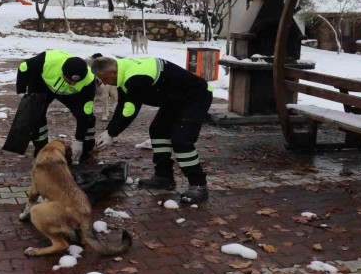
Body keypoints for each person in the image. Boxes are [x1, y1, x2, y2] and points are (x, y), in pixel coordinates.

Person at [91, 56, 213, 204]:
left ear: (113, 71)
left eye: (104, 78)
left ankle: (198, 184)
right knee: (158, 130)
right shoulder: (125, 73)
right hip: (175, 98)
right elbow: (123, 105)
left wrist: (111, 133)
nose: (104, 83)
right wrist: (110, 130)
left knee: (182, 140)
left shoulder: (136, 77)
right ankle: (164, 177)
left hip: (196, 96)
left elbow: (130, 109)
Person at [15, 50, 97, 163]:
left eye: (76, 82)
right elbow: (23, 67)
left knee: (89, 118)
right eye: (70, 80)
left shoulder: (89, 81)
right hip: (43, 85)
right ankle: (41, 152)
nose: (73, 83)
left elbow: (86, 112)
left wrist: (79, 140)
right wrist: (21, 91)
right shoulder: (46, 61)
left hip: (70, 94)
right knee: (35, 115)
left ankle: (85, 153)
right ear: (62, 72)